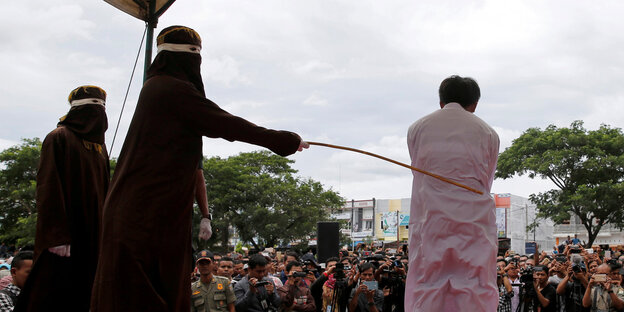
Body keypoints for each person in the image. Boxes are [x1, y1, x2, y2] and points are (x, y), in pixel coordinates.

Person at [90, 26, 307, 311]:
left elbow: (197, 167)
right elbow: (223, 123)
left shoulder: (163, 93)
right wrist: (281, 140)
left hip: (153, 215)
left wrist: (204, 214)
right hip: (143, 217)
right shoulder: (168, 89)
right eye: (192, 57)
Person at [404, 75, 500, 311]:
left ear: (441, 102)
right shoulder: (488, 133)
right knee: (475, 282)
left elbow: (418, 171)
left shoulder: (417, 128)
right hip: (473, 221)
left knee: (428, 280)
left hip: (431, 219)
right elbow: (486, 182)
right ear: (474, 105)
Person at [15, 86, 109, 312]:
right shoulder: (58, 138)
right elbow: (48, 187)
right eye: (91, 107)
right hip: (64, 237)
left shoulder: (100, 148)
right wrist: (56, 234)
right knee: (53, 293)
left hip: (94, 234)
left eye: (101, 108)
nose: (97, 114)